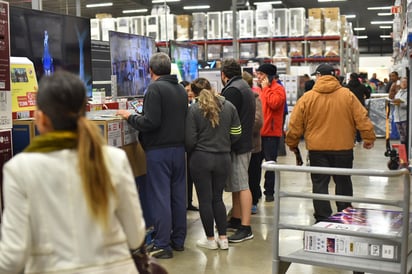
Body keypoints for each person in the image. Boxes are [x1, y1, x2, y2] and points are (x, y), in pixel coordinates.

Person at [0, 71, 146, 273]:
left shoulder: (19, 169)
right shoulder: (114, 159)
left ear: (41, 118)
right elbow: (136, 235)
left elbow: (13, 257)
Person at [117, 52, 188, 259]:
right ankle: (178, 240)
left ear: (151, 71)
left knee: (160, 197)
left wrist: (130, 116)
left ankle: (162, 245)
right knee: (177, 196)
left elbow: (151, 122)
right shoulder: (181, 90)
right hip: (179, 150)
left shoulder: (155, 89)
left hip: (159, 152)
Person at [286, 64, 376, 223]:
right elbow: (362, 117)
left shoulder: (308, 97)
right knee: (343, 182)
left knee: (320, 184)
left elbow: (295, 125)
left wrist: (292, 143)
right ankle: (345, 213)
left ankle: (322, 218)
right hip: (343, 149)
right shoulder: (347, 95)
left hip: (317, 150)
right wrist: (368, 138)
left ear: (319, 76)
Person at [185, 77, 241, 250]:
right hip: (223, 158)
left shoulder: (194, 110)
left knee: (205, 201)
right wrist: (226, 143)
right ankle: (223, 238)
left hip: (201, 159)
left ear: (193, 93)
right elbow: (237, 132)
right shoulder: (229, 107)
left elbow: (189, 140)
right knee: (218, 198)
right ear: (211, 88)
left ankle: (210, 240)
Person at [220, 59, 255, 243]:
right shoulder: (243, 86)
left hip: (238, 144)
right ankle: (236, 218)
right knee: (236, 183)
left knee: (241, 185)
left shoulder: (233, 90)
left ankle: (246, 226)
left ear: (224, 74)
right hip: (243, 142)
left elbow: (226, 116)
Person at [255, 64, 286, 202]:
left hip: (271, 135)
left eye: (261, 74)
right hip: (258, 133)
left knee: (270, 165)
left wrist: (266, 88)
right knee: (254, 166)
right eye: (258, 74)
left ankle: (269, 192)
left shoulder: (278, 89)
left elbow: (274, 104)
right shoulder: (258, 89)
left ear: (268, 76)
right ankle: (256, 192)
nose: (258, 76)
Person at [242, 71, 263, 214]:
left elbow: (257, 122)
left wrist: (240, 129)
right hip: (243, 146)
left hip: (253, 146)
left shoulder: (255, 99)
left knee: (253, 176)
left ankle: (254, 201)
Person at [180, 80, 198, 211]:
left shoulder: (192, 106)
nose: (190, 94)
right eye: (187, 91)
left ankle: (189, 201)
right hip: (182, 147)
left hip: (191, 148)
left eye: (190, 91)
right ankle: (184, 202)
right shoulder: (181, 108)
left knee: (190, 176)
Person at [346, 72, 371, 143]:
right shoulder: (362, 86)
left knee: (350, 122)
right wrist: (364, 97)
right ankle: (359, 138)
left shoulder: (347, 87)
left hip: (349, 106)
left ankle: (352, 138)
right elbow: (368, 94)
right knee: (360, 122)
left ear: (350, 78)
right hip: (360, 106)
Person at [392, 77, 408, 145]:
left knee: (406, 135)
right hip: (397, 118)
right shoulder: (398, 92)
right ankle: (403, 151)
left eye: (405, 82)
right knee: (401, 135)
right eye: (402, 82)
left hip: (405, 117)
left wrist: (400, 103)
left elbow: (408, 104)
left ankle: (408, 151)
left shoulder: (409, 93)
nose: (403, 83)